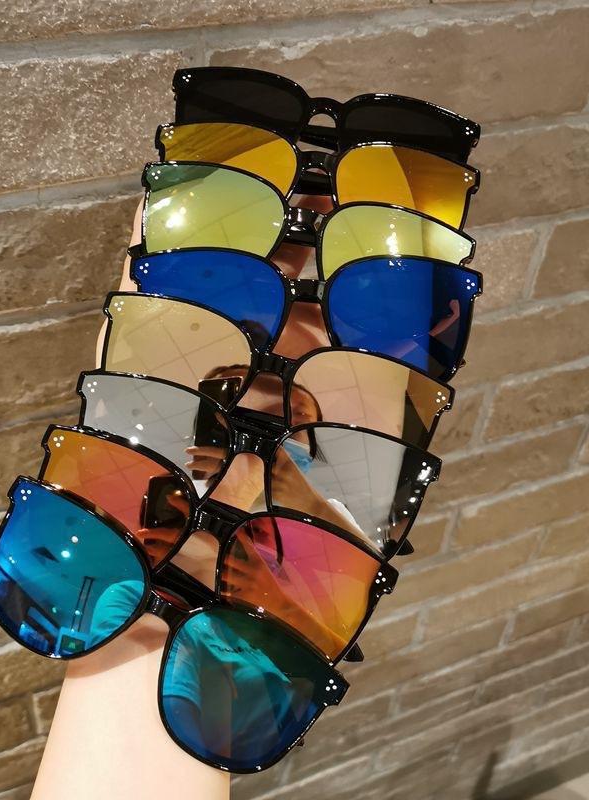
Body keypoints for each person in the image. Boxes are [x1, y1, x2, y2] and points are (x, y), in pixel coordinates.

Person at [32, 189, 360, 798]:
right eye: (225, 412)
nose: (247, 434)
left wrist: (276, 501)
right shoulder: (159, 488)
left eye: (277, 429)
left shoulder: (314, 517)